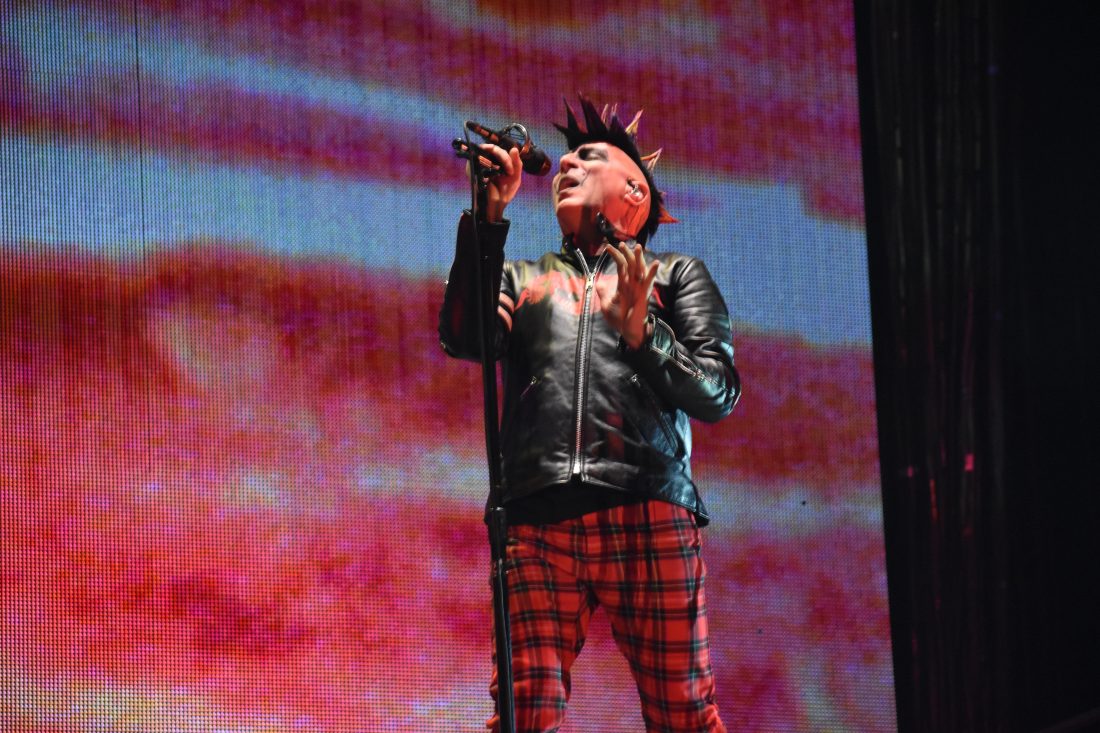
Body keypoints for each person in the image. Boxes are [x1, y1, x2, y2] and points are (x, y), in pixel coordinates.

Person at [439, 95, 740, 733]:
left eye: (590, 157)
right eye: (566, 160)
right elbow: (465, 337)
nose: (567, 165)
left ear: (636, 191)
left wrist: (646, 337)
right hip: (537, 513)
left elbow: (717, 391)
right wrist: (487, 218)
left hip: (646, 505)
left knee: (684, 715)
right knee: (522, 713)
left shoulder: (673, 275)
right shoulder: (522, 278)